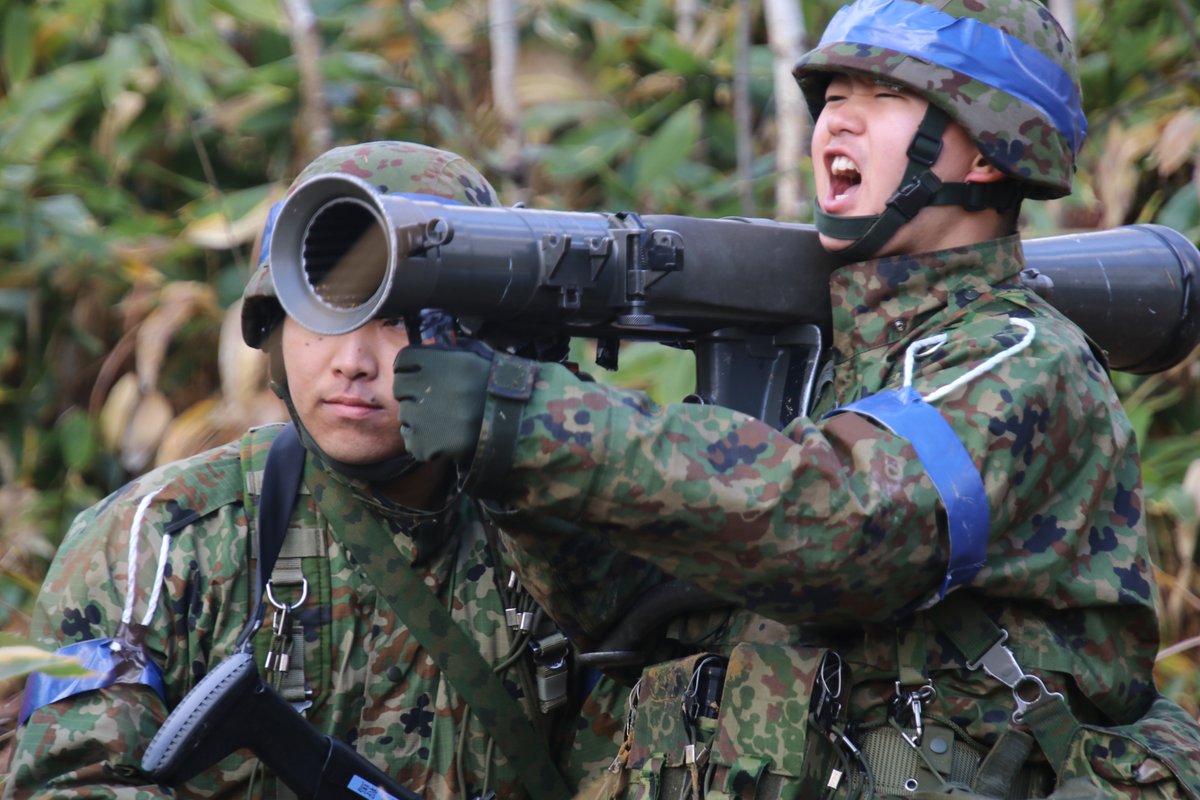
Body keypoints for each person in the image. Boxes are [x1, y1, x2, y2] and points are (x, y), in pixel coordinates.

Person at [389, 1, 1200, 797]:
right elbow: (632, 607)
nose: (837, 123)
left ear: (988, 151)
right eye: (833, 97)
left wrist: (539, 420)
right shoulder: (823, 359)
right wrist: (511, 464)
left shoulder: (1020, 358)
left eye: (885, 97)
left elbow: (848, 530)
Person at [5, 141, 628, 800]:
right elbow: (69, 784)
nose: (352, 360)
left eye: (394, 318)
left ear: (481, 339)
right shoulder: (158, 539)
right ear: (274, 326)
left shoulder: (563, 548)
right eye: (324, 309)